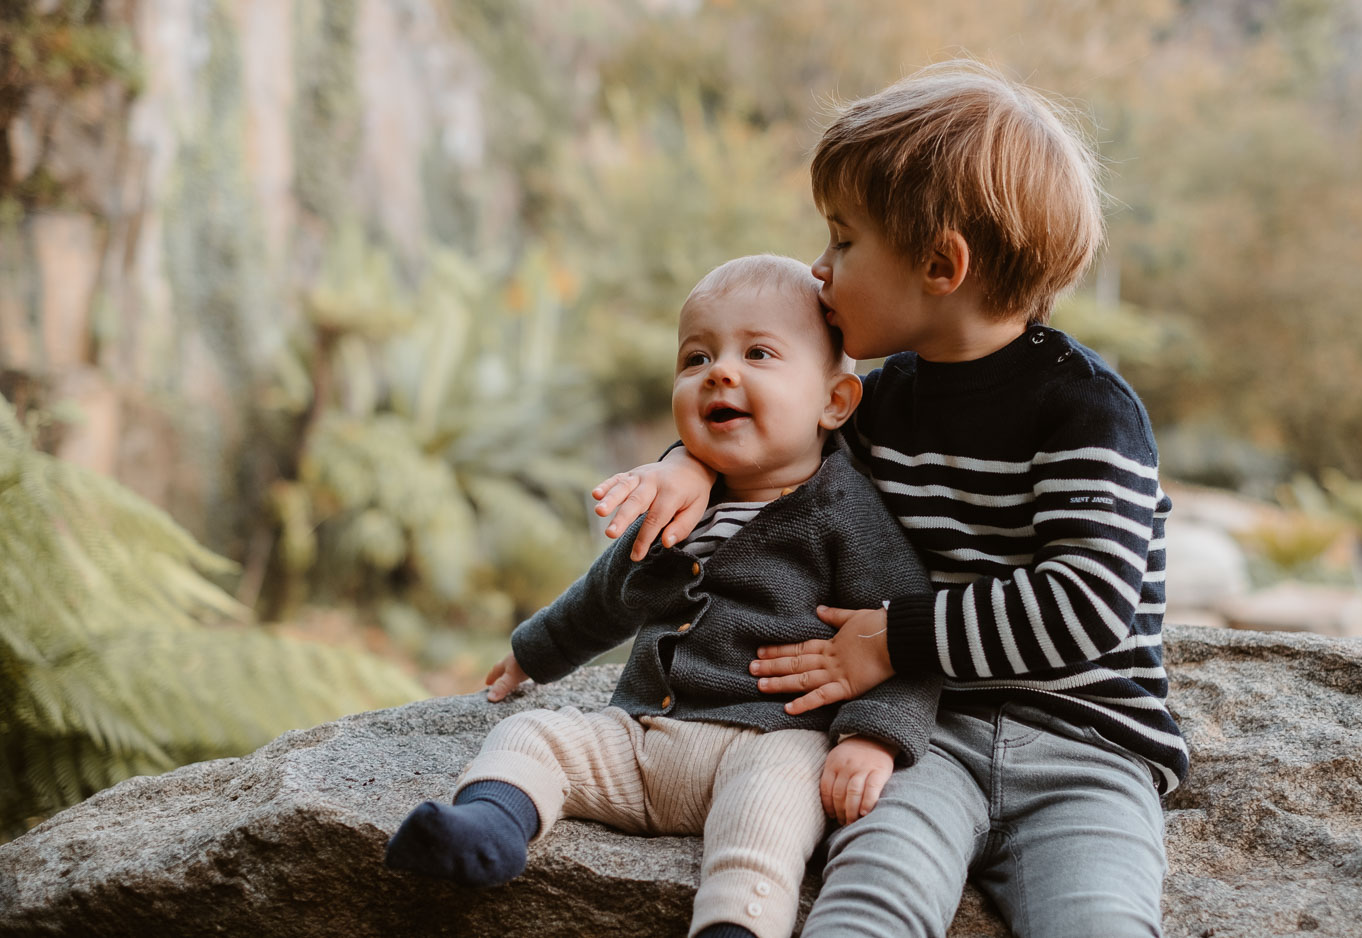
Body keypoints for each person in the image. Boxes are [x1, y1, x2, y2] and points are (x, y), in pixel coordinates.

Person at [592, 61, 1186, 938]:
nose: (817, 268)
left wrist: (891, 638)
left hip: (1086, 751)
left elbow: (1086, 604)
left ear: (941, 265)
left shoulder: (1086, 409)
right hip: (917, 740)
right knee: (865, 907)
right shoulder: (879, 400)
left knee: (1099, 921)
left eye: (843, 241)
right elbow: (776, 451)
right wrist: (689, 465)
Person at [385, 254, 940, 938]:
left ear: (834, 400)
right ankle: (490, 827)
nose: (721, 372)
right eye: (695, 357)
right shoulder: (677, 501)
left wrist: (873, 738)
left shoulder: (847, 514)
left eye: (759, 353)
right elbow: (605, 596)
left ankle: (733, 927)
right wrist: (532, 654)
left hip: (769, 741)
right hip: (643, 736)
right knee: (534, 733)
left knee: (773, 813)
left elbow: (905, 632)